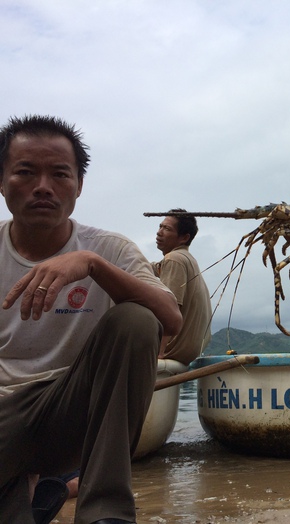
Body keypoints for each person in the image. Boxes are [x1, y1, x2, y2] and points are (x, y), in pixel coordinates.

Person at [0, 115, 182, 524]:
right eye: (26, 172)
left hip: (73, 411)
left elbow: (170, 320)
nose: (43, 186)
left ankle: (106, 512)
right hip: (6, 416)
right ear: (1, 181)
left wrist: (93, 266)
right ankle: (32, 497)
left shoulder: (107, 248)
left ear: (78, 186)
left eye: (59, 174)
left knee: (137, 318)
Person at [152, 209, 212, 365]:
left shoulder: (174, 259)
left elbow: (168, 310)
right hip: (191, 350)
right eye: (160, 226)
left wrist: (159, 353)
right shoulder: (186, 258)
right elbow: (151, 268)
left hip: (173, 349)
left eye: (167, 229)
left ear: (184, 238)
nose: (159, 232)